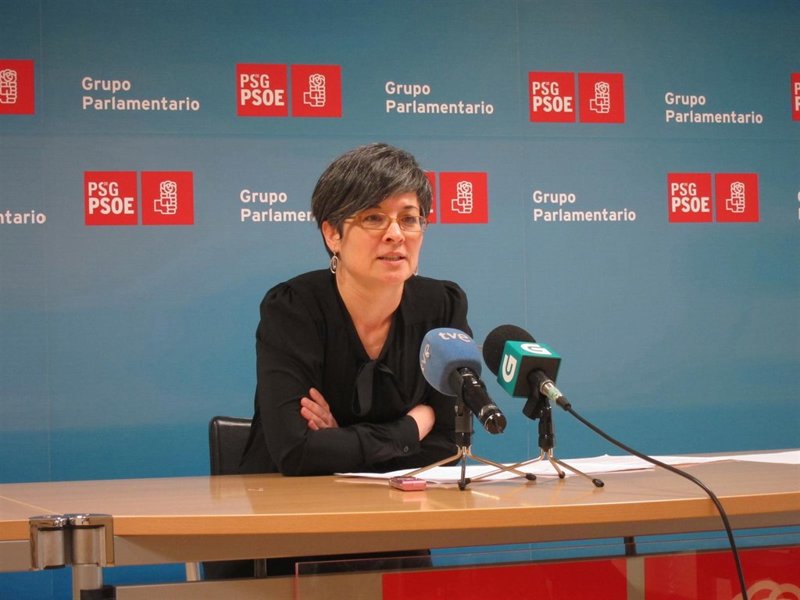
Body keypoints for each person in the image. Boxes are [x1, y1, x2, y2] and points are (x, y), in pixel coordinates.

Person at [207, 143, 472, 578]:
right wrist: (409, 428)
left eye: (409, 218)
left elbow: (448, 443)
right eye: (374, 218)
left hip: (397, 529)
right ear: (332, 234)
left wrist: (339, 441)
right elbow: (296, 451)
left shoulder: (441, 306)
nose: (396, 234)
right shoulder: (293, 308)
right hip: (289, 536)